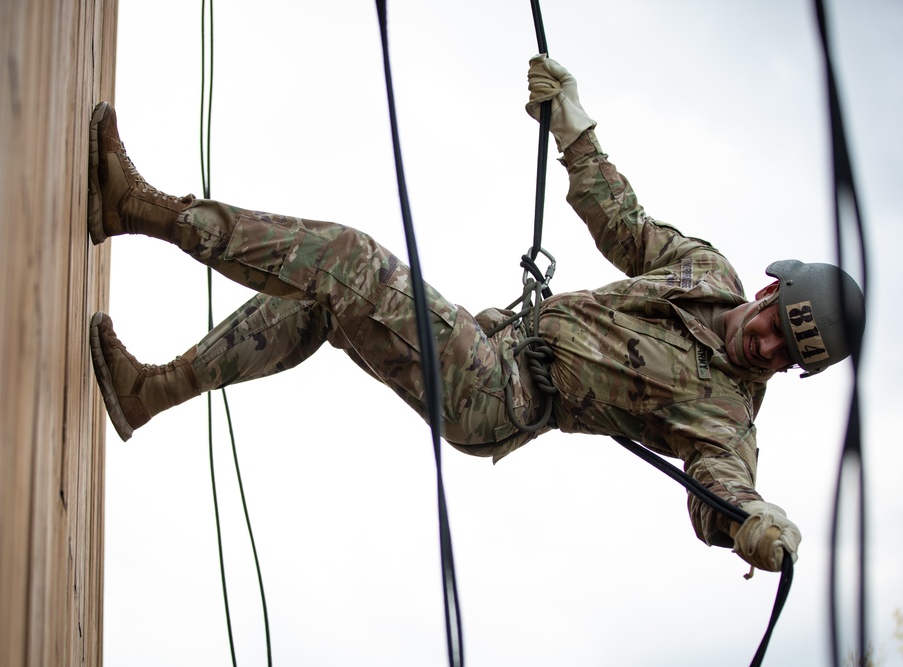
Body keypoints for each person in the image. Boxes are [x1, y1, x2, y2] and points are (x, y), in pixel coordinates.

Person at [87, 55, 864, 574]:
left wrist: (751, 522)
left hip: (503, 396)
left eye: (785, 358)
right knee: (320, 301)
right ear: (769, 294)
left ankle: (146, 212)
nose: (765, 349)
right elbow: (623, 223)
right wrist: (573, 123)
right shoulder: (705, 271)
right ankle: (146, 393)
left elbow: (716, 488)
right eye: (775, 327)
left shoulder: (727, 420)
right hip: (492, 339)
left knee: (352, 262)